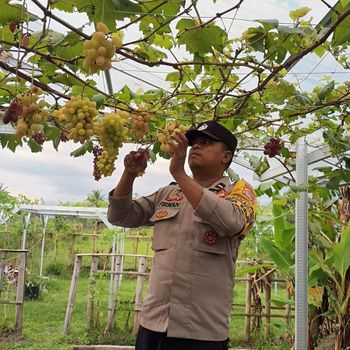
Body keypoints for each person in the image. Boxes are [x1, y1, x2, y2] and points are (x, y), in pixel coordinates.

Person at [108, 120, 257, 350]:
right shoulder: (168, 193)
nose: (196, 147)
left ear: (225, 157)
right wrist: (129, 174)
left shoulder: (238, 194)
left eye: (206, 142)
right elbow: (121, 216)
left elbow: (233, 221)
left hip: (201, 332)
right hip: (153, 324)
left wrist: (179, 173)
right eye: (194, 143)